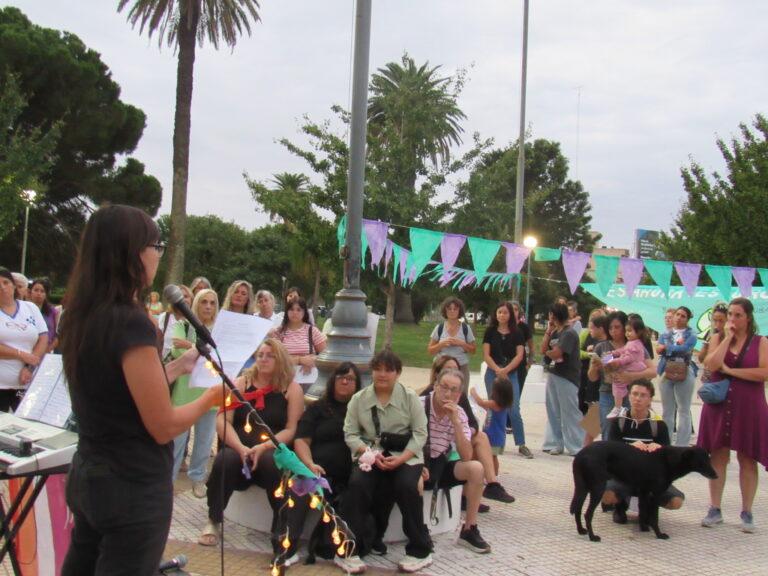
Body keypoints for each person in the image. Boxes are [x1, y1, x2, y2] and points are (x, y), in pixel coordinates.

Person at [58, 204, 225, 576]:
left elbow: (118, 389)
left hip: (89, 472)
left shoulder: (84, 313)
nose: (157, 255)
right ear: (133, 252)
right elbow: (163, 425)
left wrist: (177, 368)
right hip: (130, 485)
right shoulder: (131, 321)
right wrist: (212, 398)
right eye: (156, 246)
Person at [199, 338, 306, 567]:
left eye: (270, 355)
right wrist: (241, 447)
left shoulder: (291, 388)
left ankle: (279, 530)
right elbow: (223, 419)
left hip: (270, 450)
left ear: (280, 360)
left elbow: (292, 429)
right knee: (225, 459)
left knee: (270, 462)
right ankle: (213, 519)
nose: (264, 359)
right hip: (241, 449)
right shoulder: (241, 384)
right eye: (261, 355)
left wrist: (264, 446)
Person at [338, 349, 431, 574]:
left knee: (407, 486)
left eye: (389, 370)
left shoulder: (409, 398)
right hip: (371, 454)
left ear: (397, 373)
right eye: (378, 369)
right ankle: (350, 549)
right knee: (358, 485)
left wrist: (401, 459)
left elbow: (420, 433)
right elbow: (350, 433)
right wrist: (367, 452)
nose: (383, 374)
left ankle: (420, 550)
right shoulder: (359, 399)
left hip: (405, 455)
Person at [699, 297, 768, 533]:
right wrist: (727, 338)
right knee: (718, 454)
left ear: (748, 317)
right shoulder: (718, 338)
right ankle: (714, 508)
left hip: (748, 405)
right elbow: (711, 364)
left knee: (747, 456)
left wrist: (732, 371)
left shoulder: (760, 342)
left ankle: (747, 511)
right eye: (730, 315)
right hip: (720, 405)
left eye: (738, 315)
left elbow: (764, 372)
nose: (732, 319)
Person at [423, 355, 514, 508]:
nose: (453, 372)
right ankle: (475, 492)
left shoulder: (459, 395)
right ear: (438, 375)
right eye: (448, 369)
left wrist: (463, 429)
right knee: (480, 440)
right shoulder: (426, 397)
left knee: (480, 438)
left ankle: (490, 485)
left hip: (458, 436)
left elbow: (473, 423)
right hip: (434, 448)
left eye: (456, 369)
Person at [294, 362, 362, 563]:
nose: (344, 381)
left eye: (350, 378)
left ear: (357, 384)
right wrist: (309, 464)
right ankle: (287, 545)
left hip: (347, 475)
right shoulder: (317, 409)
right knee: (299, 487)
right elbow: (301, 440)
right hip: (316, 470)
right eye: (340, 377)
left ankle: (345, 548)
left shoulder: (361, 411)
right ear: (332, 381)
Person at [424, 369, 491, 554]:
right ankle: (418, 531)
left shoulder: (459, 414)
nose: (447, 394)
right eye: (444, 387)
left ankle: (469, 528)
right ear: (435, 386)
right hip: (418, 462)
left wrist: (455, 422)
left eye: (454, 390)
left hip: (440, 465)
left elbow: (467, 455)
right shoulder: (420, 404)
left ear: (459, 395)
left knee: (476, 468)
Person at [601, 379, 685, 524]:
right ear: (629, 396)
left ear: (650, 399)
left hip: (651, 477)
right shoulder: (618, 422)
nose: (637, 398)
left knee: (676, 502)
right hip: (624, 476)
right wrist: (630, 447)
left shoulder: (659, 425)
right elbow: (611, 455)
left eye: (643, 395)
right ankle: (620, 506)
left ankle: (650, 506)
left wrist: (658, 450)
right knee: (605, 495)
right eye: (634, 394)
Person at [170, 288, 220, 497]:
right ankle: (169, 481)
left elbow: (217, 354)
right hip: (184, 393)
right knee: (176, 443)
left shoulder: (219, 330)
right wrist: (198, 349)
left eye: (212, 303)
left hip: (209, 394)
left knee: (204, 441)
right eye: (203, 302)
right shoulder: (183, 325)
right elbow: (177, 351)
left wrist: (191, 346)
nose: (208, 306)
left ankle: (197, 478)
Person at [587, 311, 657, 437]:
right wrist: (594, 367)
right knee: (608, 430)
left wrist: (631, 376)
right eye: (610, 328)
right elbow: (592, 377)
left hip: (632, 395)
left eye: (617, 327)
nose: (614, 331)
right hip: (608, 394)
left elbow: (652, 371)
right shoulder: (602, 347)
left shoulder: (635, 346)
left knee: (632, 430)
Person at [482, 301, 532, 458]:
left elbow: (519, 355)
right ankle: (488, 441)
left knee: (513, 408)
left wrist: (506, 370)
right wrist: (497, 369)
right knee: (492, 406)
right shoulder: (490, 331)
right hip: (493, 372)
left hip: (511, 373)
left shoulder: (517, 332)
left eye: (505, 312)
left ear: (510, 314)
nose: (501, 315)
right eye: (499, 312)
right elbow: (486, 354)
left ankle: (521, 443)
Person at [0, 267, 47, 412]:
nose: (2, 287)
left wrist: (29, 365)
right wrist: (21, 354)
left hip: (25, 383)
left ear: (14, 285)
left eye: (6, 282)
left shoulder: (30, 308)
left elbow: (43, 337)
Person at [541, 301, 584, 455]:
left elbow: (557, 353)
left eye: (551, 314)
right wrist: (548, 332)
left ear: (554, 315)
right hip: (553, 373)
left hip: (566, 376)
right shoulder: (555, 333)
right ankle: (555, 443)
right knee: (553, 410)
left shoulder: (569, 333)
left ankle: (576, 445)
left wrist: (550, 352)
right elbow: (544, 349)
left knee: (569, 411)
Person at [656, 306, 698, 446]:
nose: (679, 317)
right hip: (666, 370)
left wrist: (667, 348)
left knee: (683, 410)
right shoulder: (665, 333)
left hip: (684, 370)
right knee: (667, 410)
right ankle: (666, 443)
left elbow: (686, 349)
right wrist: (674, 349)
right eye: (678, 314)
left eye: (683, 316)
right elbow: (658, 349)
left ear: (687, 319)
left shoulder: (691, 334)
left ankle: (681, 445)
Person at [275, 297, 327, 392]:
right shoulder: (280, 332)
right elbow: (276, 359)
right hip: (285, 381)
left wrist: (313, 359)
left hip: (308, 381)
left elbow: (325, 356)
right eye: (291, 309)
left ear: (304, 312)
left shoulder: (312, 331)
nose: (295, 312)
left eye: (299, 310)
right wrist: (300, 360)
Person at [604, 316, 650, 418]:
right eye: (626, 331)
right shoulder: (633, 343)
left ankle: (618, 407)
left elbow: (628, 357)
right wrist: (613, 353)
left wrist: (616, 361)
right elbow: (623, 350)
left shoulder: (634, 344)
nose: (627, 333)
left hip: (633, 367)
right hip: (634, 367)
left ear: (638, 332)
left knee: (618, 382)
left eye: (630, 331)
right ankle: (619, 406)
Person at [427, 296, 476, 386]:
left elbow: (473, 350)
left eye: (455, 309)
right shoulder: (439, 328)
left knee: (460, 395)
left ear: (459, 311)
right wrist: (442, 344)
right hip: (441, 366)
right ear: (445, 311)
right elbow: (430, 350)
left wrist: (461, 343)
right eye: (449, 309)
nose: (452, 311)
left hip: (461, 366)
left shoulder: (465, 328)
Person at [470, 376, 513, 477]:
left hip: (493, 437)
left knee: (491, 457)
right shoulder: (501, 404)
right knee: (492, 456)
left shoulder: (494, 403)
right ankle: (492, 474)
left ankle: (493, 475)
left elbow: (480, 402)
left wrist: (473, 392)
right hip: (495, 436)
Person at [580, 313, 609, 446]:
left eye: (592, 328)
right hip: (594, 384)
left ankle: (588, 448)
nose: (590, 331)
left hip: (604, 388)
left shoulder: (606, 346)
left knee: (598, 421)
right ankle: (586, 449)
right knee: (593, 421)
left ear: (601, 329)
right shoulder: (598, 345)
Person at [698, 302, 727, 384]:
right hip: (709, 380)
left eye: (721, 321)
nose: (717, 325)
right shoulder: (710, 334)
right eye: (715, 320)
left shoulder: (733, 336)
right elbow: (701, 359)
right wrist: (705, 349)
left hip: (725, 379)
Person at [29, 277, 59, 354]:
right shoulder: (24, 309)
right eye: (36, 290)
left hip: (46, 351)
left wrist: (47, 350)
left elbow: (58, 335)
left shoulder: (53, 312)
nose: (39, 294)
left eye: (42, 291)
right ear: (30, 292)